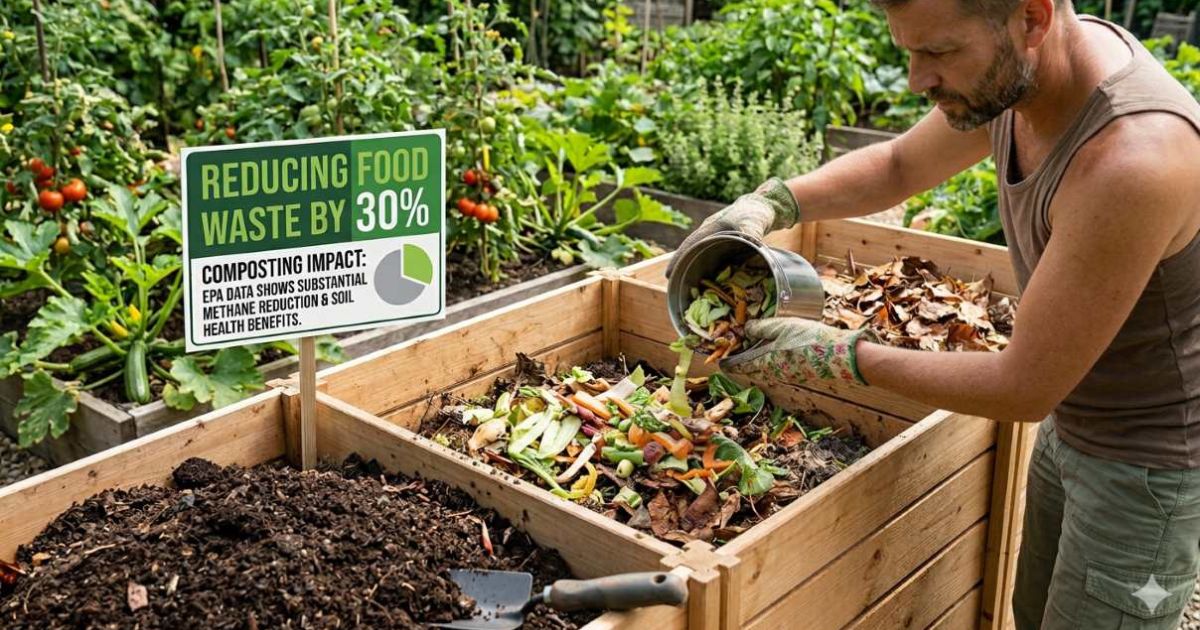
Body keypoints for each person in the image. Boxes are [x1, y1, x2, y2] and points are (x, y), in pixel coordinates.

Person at [664, 0, 1200, 627]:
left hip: (1145, 466)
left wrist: (834, 353)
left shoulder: (1132, 159)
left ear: (1033, 18)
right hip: (1074, 417)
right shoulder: (1025, 78)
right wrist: (771, 203)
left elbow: (1023, 387)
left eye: (939, 52)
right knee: (1033, 613)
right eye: (909, 51)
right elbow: (898, 166)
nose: (918, 79)